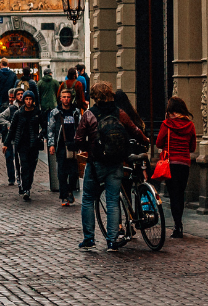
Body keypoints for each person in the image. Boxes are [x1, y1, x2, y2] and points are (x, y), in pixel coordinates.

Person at [75, 82, 149, 251]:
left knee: (87, 199)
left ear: (94, 96)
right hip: (116, 163)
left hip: (96, 163)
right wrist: (145, 140)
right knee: (113, 201)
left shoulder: (89, 115)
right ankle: (112, 241)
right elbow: (134, 130)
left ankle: (89, 239)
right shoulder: (119, 113)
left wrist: (89, 148)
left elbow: (78, 139)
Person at [155, 96, 198, 238]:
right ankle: (179, 223)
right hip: (184, 163)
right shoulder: (190, 125)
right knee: (180, 193)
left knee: (173, 195)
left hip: (170, 163)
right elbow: (192, 147)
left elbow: (158, 143)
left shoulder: (166, 124)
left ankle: (177, 225)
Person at [3, 90, 48, 201]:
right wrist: (6, 143)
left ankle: (28, 185)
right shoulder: (19, 113)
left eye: (30, 99)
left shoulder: (37, 112)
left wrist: (41, 135)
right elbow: (12, 129)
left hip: (34, 143)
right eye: (26, 99)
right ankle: (25, 189)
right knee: (24, 166)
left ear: (33, 100)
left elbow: (45, 127)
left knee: (31, 167)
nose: (28, 101)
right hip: (22, 143)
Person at [48, 84, 85, 207]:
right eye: (63, 97)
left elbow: (80, 128)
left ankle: (70, 190)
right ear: (60, 99)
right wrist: (51, 144)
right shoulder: (55, 112)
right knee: (62, 172)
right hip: (61, 145)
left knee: (74, 172)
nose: (66, 99)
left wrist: (81, 143)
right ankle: (64, 196)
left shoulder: (75, 112)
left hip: (73, 145)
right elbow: (51, 129)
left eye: (68, 97)